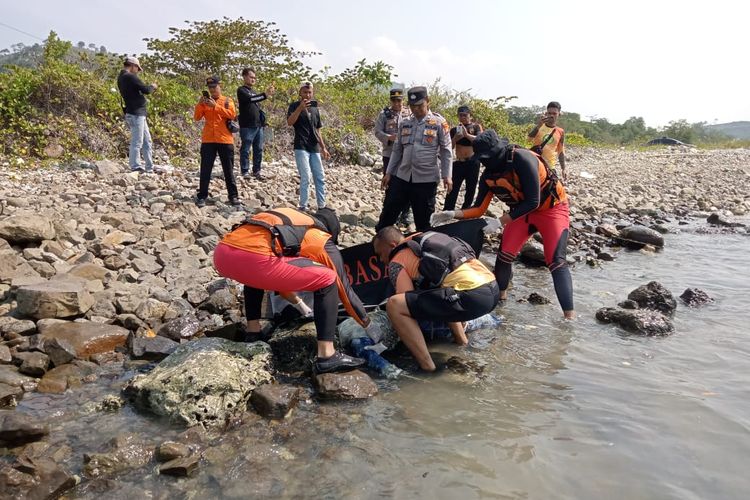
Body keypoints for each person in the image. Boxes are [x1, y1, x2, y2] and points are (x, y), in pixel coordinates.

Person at [214, 207, 382, 373]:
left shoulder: (291, 222)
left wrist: (301, 306)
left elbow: (278, 280)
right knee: (328, 279)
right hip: (255, 258)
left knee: (254, 272)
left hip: (223, 254)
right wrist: (368, 324)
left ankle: (253, 332)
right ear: (330, 232)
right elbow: (345, 291)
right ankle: (327, 354)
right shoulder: (319, 236)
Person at [430, 129, 575, 319]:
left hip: (550, 209)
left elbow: (533, 201)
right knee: (504, 255)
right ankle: (500, 303)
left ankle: (569, 319)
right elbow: (479, 209)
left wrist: (500, 221)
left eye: (488, 158)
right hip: (521, 214)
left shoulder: (522, 159)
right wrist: (452, 214)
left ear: (498, 151)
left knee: (556, 261)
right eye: (482, 159)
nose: (486, 163)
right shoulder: (488, 177)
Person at [372, 226, 499, 371]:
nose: (381, 260)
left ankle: (427, 366)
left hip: (472, 295)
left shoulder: (397, 260)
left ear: (392, 246)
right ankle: (462, 342)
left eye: (380, 254)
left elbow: (405, 300)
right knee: (443, 292)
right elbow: (443, 290)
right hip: (492, 288)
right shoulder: (426, 241)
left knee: (394, 305)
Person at [375, 86, 452, 232]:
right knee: (387, 216)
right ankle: (379, 244)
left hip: (426, 181)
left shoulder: (439, 123)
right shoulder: (405, 122)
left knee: (423, 222)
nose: (415, 110)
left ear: (428, 101)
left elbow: (446, 150)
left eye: (419, 106)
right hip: (402, 176)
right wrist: (389, 172)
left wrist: (447, 175)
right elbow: (397, 150)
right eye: (412, 106)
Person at [194, 76, 240, 207]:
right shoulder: (205, 102)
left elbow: (232, 115)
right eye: (210, 88)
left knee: (228, 170)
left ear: (220, 86)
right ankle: (202, 196)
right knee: (205, 169)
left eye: (214, 87)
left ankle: (233, 196)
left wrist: (216, 106)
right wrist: (200, 104)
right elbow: (197, 117)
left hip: (225, 140)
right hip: (208, 140)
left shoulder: (227, 100)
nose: (212, 90)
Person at [287, 82, 331, 211]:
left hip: (314, 147)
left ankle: (322, 206)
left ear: (312, 93)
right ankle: (303, 206)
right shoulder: (294, 106)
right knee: (306, 176)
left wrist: (323, 147)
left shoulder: (315, 109)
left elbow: (318, 129)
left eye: (310, 92)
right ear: (300, 92)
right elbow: (290, 122)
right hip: (301, 145)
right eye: (305, 92)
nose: (307, 94)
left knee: (320, 176)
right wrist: (300, 108)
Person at [373, 88, 412, 226]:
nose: (397, 103)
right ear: (391, 100)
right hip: (389, 153)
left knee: (408, 184)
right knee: (390, 184)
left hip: (406, 154)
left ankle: (405, 214)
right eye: (394, 100)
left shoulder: (409, 112)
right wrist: (389, 138)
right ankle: (387, 214)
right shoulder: (384, 114)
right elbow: (377, 131)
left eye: (399, 100)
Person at [117, 56, 157, 173]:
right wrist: (153, 86)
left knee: (146, 141)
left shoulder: (121, 77)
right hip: (136, 114)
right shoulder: (130, 77)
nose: (137, 71)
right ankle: (135, 166)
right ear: (133, 66)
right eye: (137, 69)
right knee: (137, 141)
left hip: (136, 113)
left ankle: (149, 167)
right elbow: (146, 90)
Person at [237, 67, 275, 180]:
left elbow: (255, 100)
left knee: (258, 149)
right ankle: (244, 171)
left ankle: (257, 171)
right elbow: (251, 99)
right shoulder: (241, 90)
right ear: (244, 77)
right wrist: (265, 94)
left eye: (254, 77)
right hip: (247, 125)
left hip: (258, 126)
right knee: (246, 148)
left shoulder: (253, 91)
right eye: (251, 77)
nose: (253, 79)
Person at [443, 105, 483, 211]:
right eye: (460, 115)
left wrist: (467, 135)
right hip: (459, 162)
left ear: (470, 115)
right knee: (453, 187)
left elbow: (481, 140)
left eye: (465, 115)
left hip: (472, 161)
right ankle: (448, 209)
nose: (463, 117)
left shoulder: (476, 127)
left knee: (471, 188)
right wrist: (455, 138)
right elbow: (449, 147)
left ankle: (466, 209)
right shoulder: (454, 130)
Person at [527, 101, 567, 181]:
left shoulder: (560, 131)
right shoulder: (539, 127)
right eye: (549, 113)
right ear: (546, 113)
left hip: (550, 166)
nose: (551, 115)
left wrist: (563, 168)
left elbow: (561, 150)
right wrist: (538, 126)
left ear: (559, 114)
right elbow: (529, 139)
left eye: (554, 113)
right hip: (535, 164)